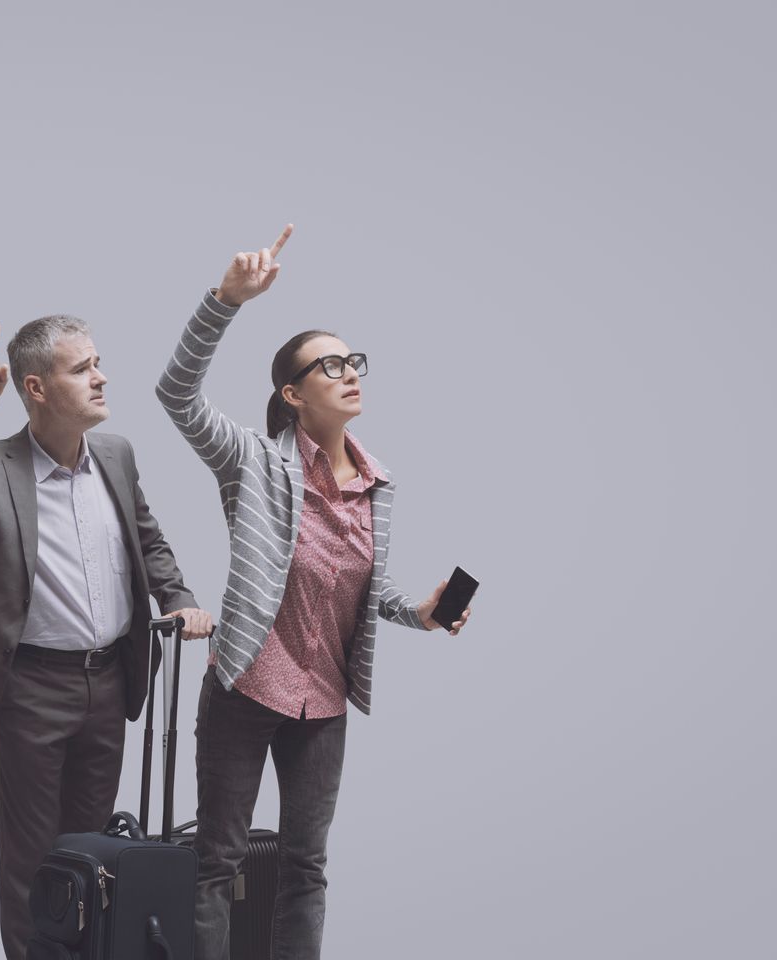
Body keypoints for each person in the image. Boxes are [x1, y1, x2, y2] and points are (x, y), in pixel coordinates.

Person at [155, 226, 474, 960]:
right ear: (293, 395)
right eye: (328, 364)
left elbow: (361, 584)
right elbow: (175, 394)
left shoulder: (377, 485)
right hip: (247, 688)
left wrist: (418, 614)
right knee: (218, 862)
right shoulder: (252, 463)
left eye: (352, 360)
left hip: (324, 701)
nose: (348, 371)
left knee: (306, 867)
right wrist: (223, 302)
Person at [0, 318, 214, 959]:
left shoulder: (117, 455)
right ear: (36, 387)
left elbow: (146, 539)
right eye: (82, 368)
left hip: (113, 683)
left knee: (94, 857)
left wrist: (177, 597)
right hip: (30, 689)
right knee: (35, 867)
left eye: (98, 362)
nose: (100, 377)